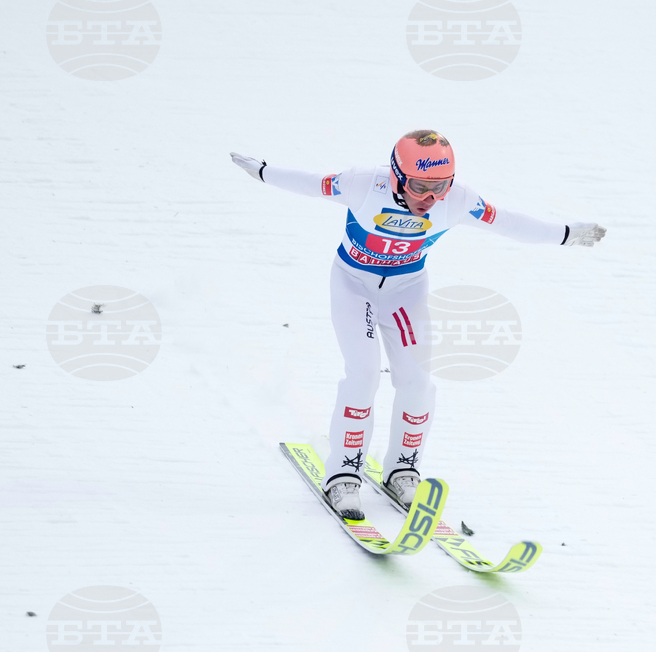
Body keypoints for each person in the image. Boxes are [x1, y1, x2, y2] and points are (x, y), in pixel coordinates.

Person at [231, 130, 605, 520]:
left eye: (440, 187)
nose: (430, 198)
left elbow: (508, 222)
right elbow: (311, 184)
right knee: (362, 376)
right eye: (421, 186)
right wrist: (263, 172)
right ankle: (344, 473)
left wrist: (564, 235)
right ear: (395, 177)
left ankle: (403, 469)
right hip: (352, 285)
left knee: (418, 379)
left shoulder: (459, 200)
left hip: (405, 291)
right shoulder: (363, 184)